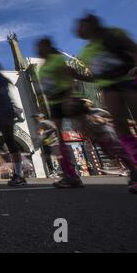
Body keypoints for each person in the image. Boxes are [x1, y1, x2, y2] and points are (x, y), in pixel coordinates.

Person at [37, 37, 137, 192]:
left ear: (48, 47)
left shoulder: (57, 59)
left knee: (95, 133)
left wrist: (69, 98)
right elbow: (47, 90)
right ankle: (71, 176)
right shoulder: (42, 69)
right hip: (54, 104)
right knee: (58, 139)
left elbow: (70, 78)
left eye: (41, 46)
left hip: (69, 99)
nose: (38, 49)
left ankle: (132, 167)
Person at [76, 14, 137, 170]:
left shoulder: (114, 33)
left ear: (92, 23)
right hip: (109, 87)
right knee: (119, 123)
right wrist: (77, 75)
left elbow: (132, 48)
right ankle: (134, 166)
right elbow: (95, 76)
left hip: (128, 78)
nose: (79, 29)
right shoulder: (86, 53)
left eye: (82, 24)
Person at [0, 61, 26, 186]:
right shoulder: (2, 80)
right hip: (3, 115)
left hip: (4, 115)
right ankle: (18, 173)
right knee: (8, 142)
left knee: (9, 142)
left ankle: (18, 174)